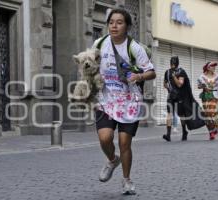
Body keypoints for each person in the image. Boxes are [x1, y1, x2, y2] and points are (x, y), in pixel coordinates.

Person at [92, 8, 156, 195]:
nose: (114, 26)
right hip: (106, 99)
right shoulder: (100, 43)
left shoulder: (134, 47)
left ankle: (127, 180)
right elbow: (90, 63)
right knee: (104, 138)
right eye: (111, 22)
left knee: (124, 143)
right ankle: (112, 160)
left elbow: (151, 72)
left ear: (127, 26)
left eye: (119, 22)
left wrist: (138, 76)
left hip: (129, 102)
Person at [162, 56, 191, 142]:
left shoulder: (180, 72)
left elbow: (180, 84)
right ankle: (168, 135)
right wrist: (170, 90)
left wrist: (174, 77)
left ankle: (184, 132)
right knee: (169, 114)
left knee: (181, 114)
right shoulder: (167, 72)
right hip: (171, 96)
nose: (172, 64)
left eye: (173, 63)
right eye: (172, 63)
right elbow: (165, 84)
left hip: (179, 96)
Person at [197, 62, 218, 140]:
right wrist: (203, 86)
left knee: (215, 112)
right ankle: (211, 132)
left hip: (215, 95)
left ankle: (216, 128)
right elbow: (198, 86)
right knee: (208, 114)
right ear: (208, 68)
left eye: (215, 66)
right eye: (212, 66)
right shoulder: (202, 77)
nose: (214, 67)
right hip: (206, 96)